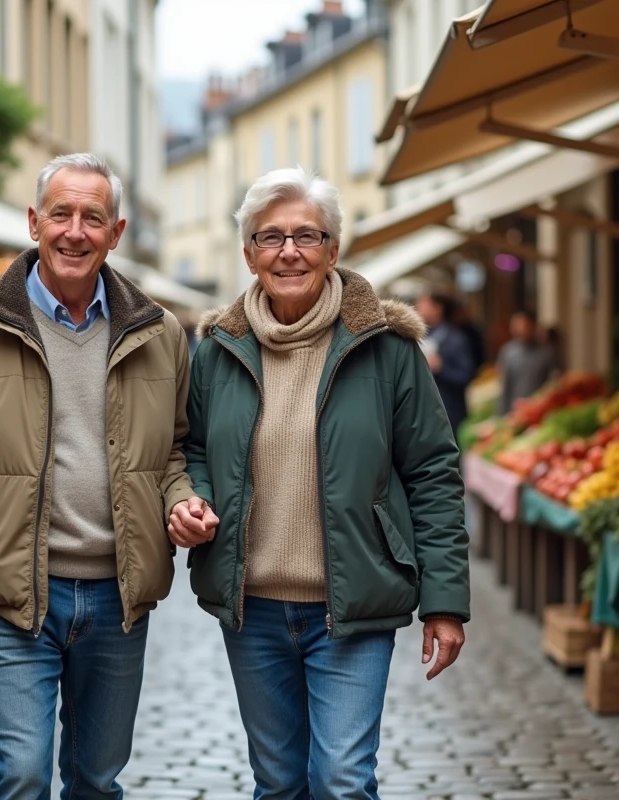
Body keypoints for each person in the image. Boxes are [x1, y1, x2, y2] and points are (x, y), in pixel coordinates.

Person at [0, 153, 216, 800]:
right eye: (60, 214)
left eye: (92, 217)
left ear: (116, 232)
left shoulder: (160, 336)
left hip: (116, 598)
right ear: (34, 222)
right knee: (21, 774)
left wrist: (184, 501)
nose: (75, 231)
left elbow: (178, 450)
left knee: (96, 781)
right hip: (10, 592)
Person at [175, 167, 469, 799]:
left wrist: (444, 601)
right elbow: (192, 447)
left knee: (340, 780)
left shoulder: (386, 349)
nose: (289, 251)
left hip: (355, 604)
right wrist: (192, 496)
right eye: (270, 237)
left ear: (334, 249)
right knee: (278, 783)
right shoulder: (217, 350)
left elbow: (433, 472)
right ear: (248, 253)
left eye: (306, 235)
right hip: (250, 606)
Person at [415, 292, 476, 434]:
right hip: (423, 414)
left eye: (423, 304)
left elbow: (466, 376)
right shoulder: (417, 338)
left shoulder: (456, 339)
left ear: (438, 309)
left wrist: (441, 368)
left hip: (450, 414)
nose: (418, 308)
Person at [497, 309, 559, 416]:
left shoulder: (547, 352)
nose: (521, 328)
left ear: (533, 325)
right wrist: (501, 413)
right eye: (517, 325)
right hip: (515, 410)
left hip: (541, 410)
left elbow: (555, 383)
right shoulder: (508, 352)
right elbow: (505, 385)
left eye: (525, 324)